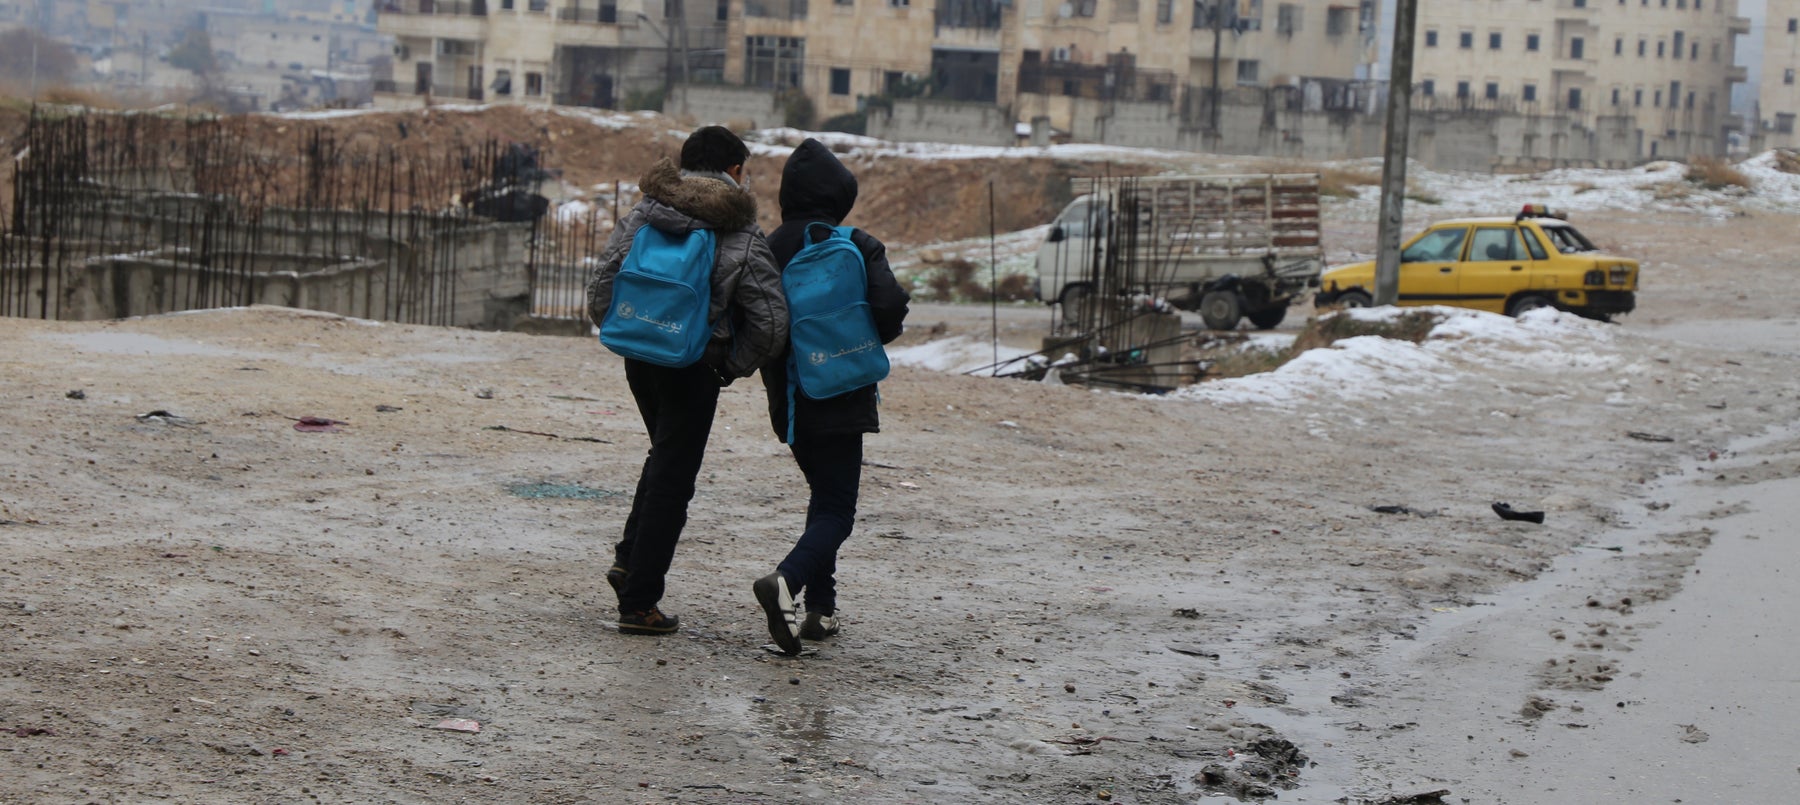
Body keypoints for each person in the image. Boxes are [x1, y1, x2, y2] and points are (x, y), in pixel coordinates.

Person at [585, 126, 786, 636]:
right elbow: (769, 320)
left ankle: (629, 563)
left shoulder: (645, 212)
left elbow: (604, 282)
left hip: (640, 356)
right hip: (693, 363)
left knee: (664, 457)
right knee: (674, 478)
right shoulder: (739, 229)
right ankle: (639, 602)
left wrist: (625, 330)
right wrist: (729, 366)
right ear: (736, 171)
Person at [753, 138, 910, 655]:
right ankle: (787, 581)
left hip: (793, 396)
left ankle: (822, 608)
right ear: (840, 195)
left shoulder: (769, 248)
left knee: (824, 496)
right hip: (846, 391)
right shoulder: (857, 243)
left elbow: (756, 322)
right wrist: (854, 342)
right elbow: (890, 310)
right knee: (837, 509)